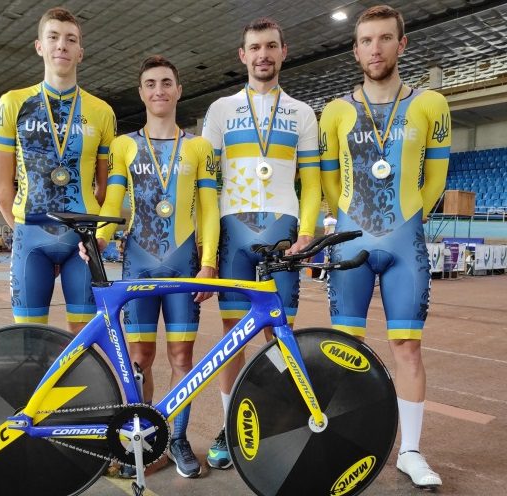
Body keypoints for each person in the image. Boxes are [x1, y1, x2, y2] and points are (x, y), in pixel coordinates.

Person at [319, 5, 450, 488]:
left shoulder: (431, 105)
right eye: (366, 41)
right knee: (345, 348)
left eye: (385, 38)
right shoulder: (335, 111)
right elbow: (330, 182)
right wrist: (352, 219)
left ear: (402, 43)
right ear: (355, 50)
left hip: (405, 241)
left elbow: (436, 176)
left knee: (407, 346)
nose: (375, 49)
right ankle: (346, 440)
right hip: (351, 240)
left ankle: (410, 452)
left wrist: (407, 218)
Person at [201, 17, 321, 470]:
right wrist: (207, 248)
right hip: (234, 235)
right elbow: (207, 184)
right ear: (243, 55)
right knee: (233, 338)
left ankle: (276, 423)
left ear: (284, 51)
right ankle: (229, 427)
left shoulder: (303, 112)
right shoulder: (221, 110)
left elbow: (312, 181)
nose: (263, 55)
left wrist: (307, 232)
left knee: (279, 336)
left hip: (283, 235)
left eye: (271, 46)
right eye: (255, 47)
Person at [93, 55, 220, 478]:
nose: (159, 90)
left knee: (182, 355)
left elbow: (209, 210)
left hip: (184, 267)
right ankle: (142, 439)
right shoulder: (124, 146)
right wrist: (100, 238)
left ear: (179, 90)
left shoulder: (199, 147)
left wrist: (208, 264)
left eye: (166, 82)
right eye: (150, 84)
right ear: (141, 92)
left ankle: (178, 438)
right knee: (139, 357)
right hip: (138, 265)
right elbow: (114, 201)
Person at [0, 7, 116, 334]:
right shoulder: (12, 103)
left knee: (84, 342)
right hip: (30, 237)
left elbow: (105, 188)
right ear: (39, 46)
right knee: (30, 341)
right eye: (54, 37)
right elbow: (1, 189)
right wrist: (26, 233)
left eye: (71, 39)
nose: (62, 45)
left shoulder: (102, 112)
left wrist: (90, 231)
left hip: (82, 242)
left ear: (80, 52)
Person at [317, 212, 337, 280]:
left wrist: (323, 239)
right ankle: (328, 277)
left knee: (326, 258)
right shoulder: (336, 221)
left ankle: (321, 277)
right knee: (331, 258)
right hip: (336, 241)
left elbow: (327, 229)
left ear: (326, 216)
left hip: (328, 241)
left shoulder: (326, 220)